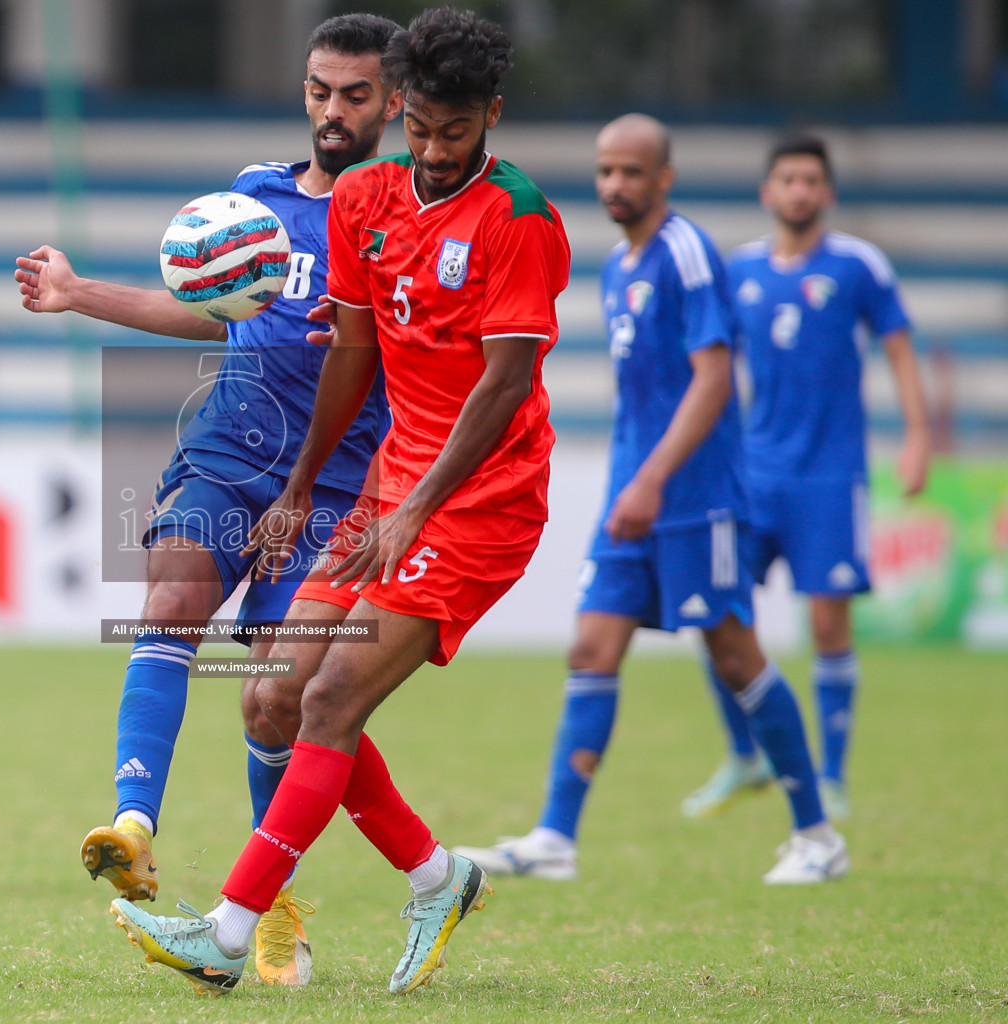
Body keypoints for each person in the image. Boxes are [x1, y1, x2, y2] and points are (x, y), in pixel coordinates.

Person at [106, 8, 570, 995]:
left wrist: (415, 507)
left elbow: (501, 384)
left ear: (490, 115)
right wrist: (307, 486)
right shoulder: (367, 197)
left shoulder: (520, 219)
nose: (436, 152)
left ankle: (230, 934)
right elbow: (354, 351)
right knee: (271, 692)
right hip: (385, 486)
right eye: (423, 131)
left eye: (457, 132)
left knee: (328, 695)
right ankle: (439, 878)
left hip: (481, 499)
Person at [15, 13, 401, 985]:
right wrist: (78, 293)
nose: (333, 111)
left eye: (355, 94)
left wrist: (367, 342)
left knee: (280, 699)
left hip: (337, 485)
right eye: (320, 90)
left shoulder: (406, 216)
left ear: (394, 101)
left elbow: (435, 348)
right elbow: (204, 304)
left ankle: (272, 908)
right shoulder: (257, 198)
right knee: (171, 600)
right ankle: (134, 823)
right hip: (228, 449)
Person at [451, 114, 847, 886]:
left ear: (663, 177)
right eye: (605, 172)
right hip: (631, 497)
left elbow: (713, 377)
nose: (615, 186)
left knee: (735, 656)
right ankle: (555, 838)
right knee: (591, 650)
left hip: (695, 498)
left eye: (632, 172)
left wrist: (653, 478)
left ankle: (817, 836)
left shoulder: (686, 253)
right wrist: (631, 483)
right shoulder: (617, 265)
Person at [680, 135, 928, 821]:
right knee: (716, 608)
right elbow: (711, 363)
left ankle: (834, 777)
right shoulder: (739, 272)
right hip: (753, 474)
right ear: (767, 192)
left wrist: (914, 439)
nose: (799, 190)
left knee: (827, 625)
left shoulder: (857, 266)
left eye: (810, 180)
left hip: (830, 476)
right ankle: (744, 755)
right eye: (787, 179)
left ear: (828, 192)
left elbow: (901, 350)